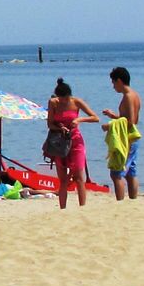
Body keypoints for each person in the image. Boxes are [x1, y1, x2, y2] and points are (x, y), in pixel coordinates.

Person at [44, 78, 99, 210]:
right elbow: (50, 123)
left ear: (69, 96)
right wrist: (59, 128)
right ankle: (62, 208)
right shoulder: (53, 103)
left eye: (65, 99)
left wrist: (79, 119)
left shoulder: (76, 102)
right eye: (60, 99)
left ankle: (82, 208)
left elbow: (95, 118)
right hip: (59, 142)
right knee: (63, 179)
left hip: (75, 140)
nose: (63, 101)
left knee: (79, 177)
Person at [101, 68, 143, 200]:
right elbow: (129, 118)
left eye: (113, 83)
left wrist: (110, 125)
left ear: (119, 81)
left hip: (128, 139)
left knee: (116, 173)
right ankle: (132, 200)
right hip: (132, 137)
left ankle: (120, 202)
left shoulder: (129, 96)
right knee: (130, 172)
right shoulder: (134, 94)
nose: (113, 87)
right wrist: (114, 115)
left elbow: (130, 121)